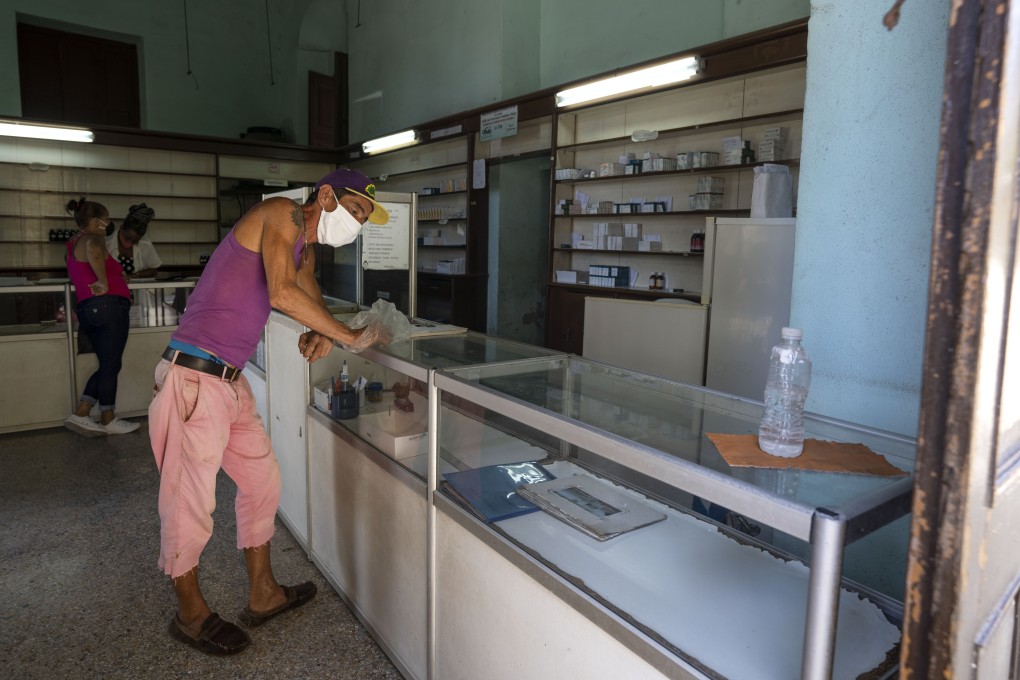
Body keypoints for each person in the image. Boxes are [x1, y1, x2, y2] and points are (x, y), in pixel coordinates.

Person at [148, 168, 390, 655]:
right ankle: (190, 614)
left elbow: (307, 294)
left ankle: (264, 594)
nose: (357, 224)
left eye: (364, 219)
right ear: (325, 196)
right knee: (190, 499)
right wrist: (350, 338)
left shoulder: (306, 245)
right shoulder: (281, 213)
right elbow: (281, 293)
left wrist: (324, 329)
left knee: (262, 482)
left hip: (230, 383)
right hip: (194, 378)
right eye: (356, 211)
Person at [62, 197, 141, 437]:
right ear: (95, 221)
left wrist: (115, 277)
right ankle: (105, 417)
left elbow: (87, 265)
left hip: (89, 309)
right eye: (105, 220)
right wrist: (105, 281)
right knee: (110, 364)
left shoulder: (72, 242)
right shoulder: (92, 238)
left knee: (109, 363)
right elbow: (94, 251)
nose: (108, 224)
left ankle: (86, 410)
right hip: (108, 307)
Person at [106, 203, 161, 279]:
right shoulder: (107, 242)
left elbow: (154, 269)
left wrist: (134, 276)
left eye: (135, 241)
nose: (129, 243)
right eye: (127, 238)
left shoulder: (145, 244)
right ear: (122, 228)